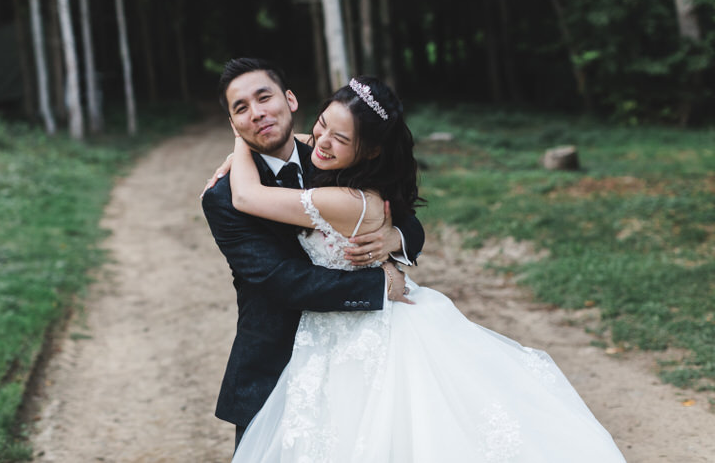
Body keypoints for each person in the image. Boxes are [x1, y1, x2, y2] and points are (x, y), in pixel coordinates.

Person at [226, 75, 627, 461]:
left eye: (340, 137)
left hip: (371, 329)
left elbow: (249, 196)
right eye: (322, 125)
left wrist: (239, 142)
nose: (323, 141)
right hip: (308, 341)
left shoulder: (345, 194)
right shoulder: (316, 159)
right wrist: (245, 147)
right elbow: (278, 272)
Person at [200, 58, 425, 450]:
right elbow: (280, 279)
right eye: (241, 109)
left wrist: (395, 238)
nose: (256, 114)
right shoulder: (223, 197)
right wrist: (379, 282)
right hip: (275, 363)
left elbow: (405, 215)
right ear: (233, 124)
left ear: (290, 100)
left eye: (263, 97)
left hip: (358, 358)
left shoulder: (329, 154)